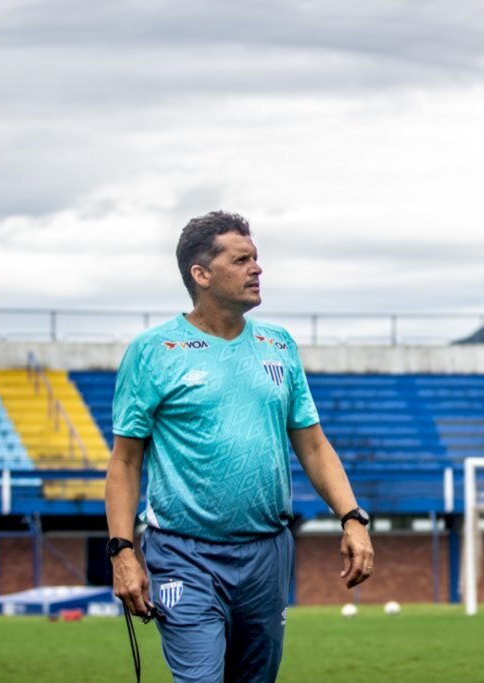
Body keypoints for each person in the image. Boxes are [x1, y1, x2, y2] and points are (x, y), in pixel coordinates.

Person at [105, 210, 374, 682]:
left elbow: (313, 445)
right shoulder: (153, 351)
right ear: (201, 274)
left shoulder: (280, 345)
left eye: (257, 257)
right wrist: (123, 552)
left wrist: (352, 518)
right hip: (182, 555)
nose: (257, 268)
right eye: (242, 259)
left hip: (267, 554)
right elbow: (126, 461)